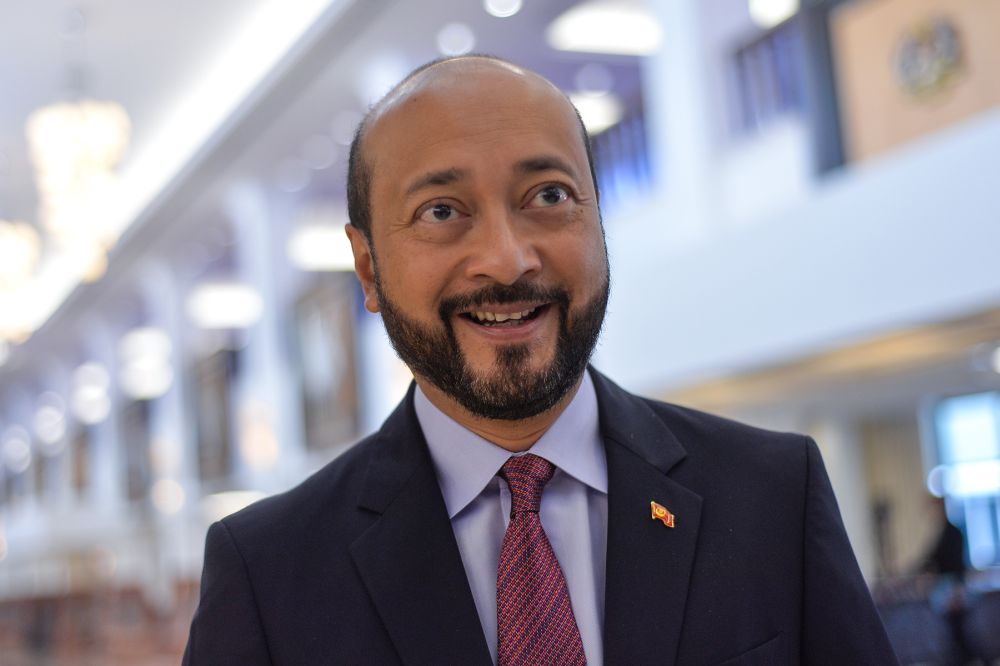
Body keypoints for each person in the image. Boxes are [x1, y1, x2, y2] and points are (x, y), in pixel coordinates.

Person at [183, 55, 898, 665]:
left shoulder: (772, 496)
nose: (507, 259)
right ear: (368, 267)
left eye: (548, 196)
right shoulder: (269, 572)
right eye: (442, 211)